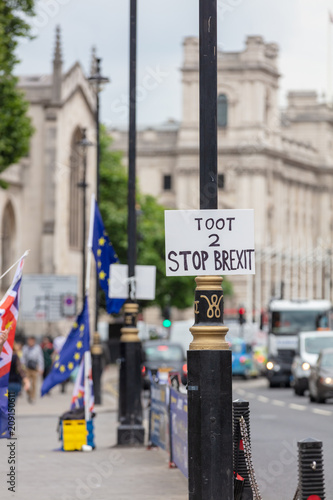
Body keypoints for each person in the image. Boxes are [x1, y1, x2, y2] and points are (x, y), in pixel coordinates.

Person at [21, 336, 44, 403]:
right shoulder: (25, 348)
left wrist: (41, 368)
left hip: (34, 368)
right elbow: (22, 357)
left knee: (34, 383)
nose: (30, 342)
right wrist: (22, 366)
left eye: (31, 341)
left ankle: (33, 397)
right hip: (27, 368)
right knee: (25, 382)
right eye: (29, 341)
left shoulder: (37, 348)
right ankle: (29, 393)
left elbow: (40, 358)